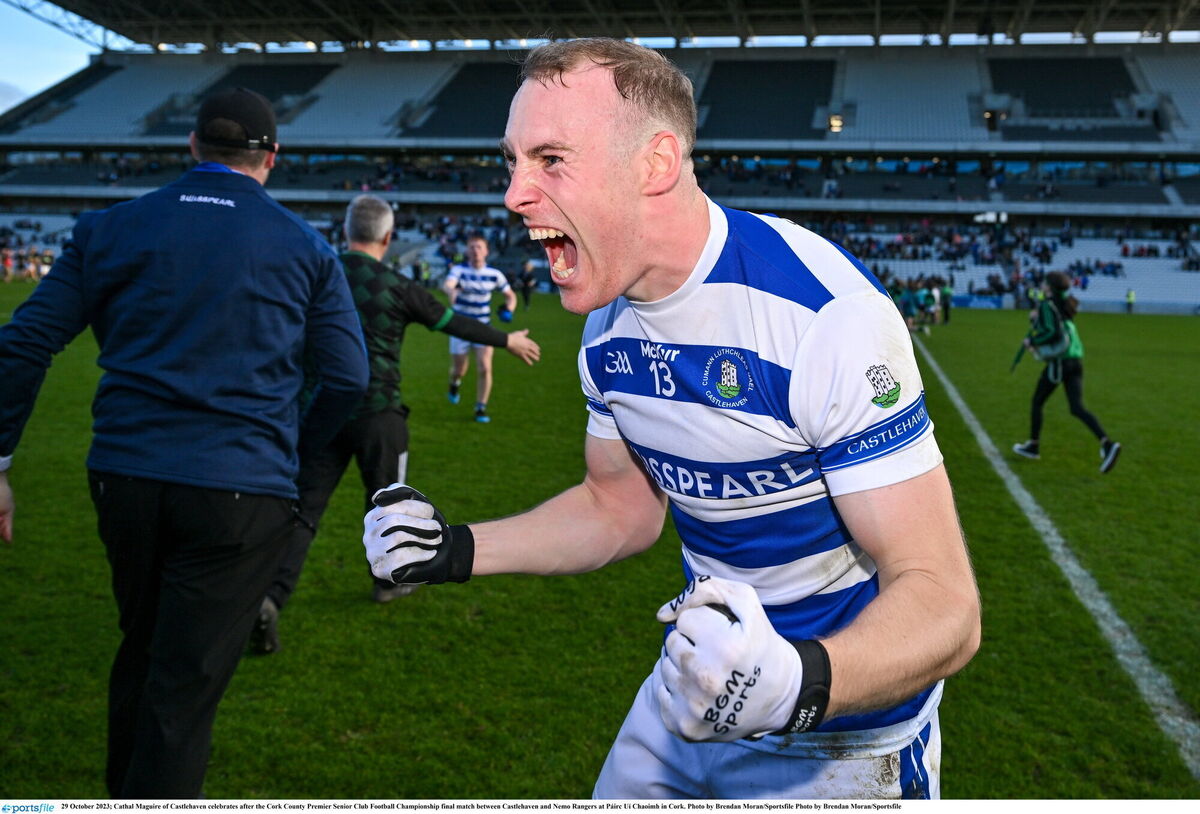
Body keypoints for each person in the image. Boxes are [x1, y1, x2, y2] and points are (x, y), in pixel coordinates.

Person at [362, 39, 980, 800]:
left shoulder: (823, 319)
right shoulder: (607, 331)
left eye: (550, 159)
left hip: (840, 739)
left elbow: (945, 601)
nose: (515, 194)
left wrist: (799, 681)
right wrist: (451, 548)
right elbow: (618, 511)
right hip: (687, 692)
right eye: (512, 161)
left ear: (656, 163)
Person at [0, 87, 369, 798]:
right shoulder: (305, 246)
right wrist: (291, 454)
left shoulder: (109, 228)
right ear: (273, 158)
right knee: (182, 692)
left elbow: (22, 345)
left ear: (193, 147)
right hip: (242, 490)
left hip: (125, 478)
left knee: (141, 656)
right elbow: (348, 379)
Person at [252, 195, 541, 652]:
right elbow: (453, 323)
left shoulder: (317, 276)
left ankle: (269, 597)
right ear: (387, 238)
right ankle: (387, 584)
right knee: (386, 510)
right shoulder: (398, 286)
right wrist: (505, 339)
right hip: (380, 416)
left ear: (346, 232)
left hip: (319, 414)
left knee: (304, 513)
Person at [1012, 271, 1120, 473]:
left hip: (1060, 363)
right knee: (1076, 407)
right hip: (1076, 360)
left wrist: (1032, 341)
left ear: (1049, 287)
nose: (1042, 286)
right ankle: (1107, 443)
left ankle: (1034, 446)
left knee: (1037, 402)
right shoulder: (1067, 302)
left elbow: (1052, 332)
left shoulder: (1047, 304)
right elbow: (1058, 326)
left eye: (1045, 283)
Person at [444, 234, 517, 423]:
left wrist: (509, 308)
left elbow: (510, 295)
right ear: (467, 251)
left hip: (483, 327)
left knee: (485, 367)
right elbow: (448, 285)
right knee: (459, 369)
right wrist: (452, 292)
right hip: (459, 327)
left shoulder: (495, 275)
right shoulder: (459, 270)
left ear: (486, 251)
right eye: (472, 247)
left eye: (479, 247)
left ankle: (480, 408)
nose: (475, 250)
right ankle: (454, 383)